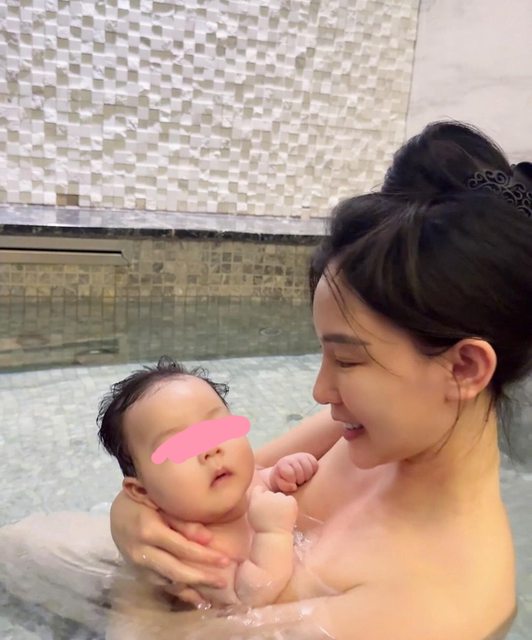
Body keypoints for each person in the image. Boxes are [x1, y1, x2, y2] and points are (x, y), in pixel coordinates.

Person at [109, 121, 532, 639]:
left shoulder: (435, 604)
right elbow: (214, 478)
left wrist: (136, 589)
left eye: (347, 361)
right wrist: (132, 519)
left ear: (463, 368)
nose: (320, 390)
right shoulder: (371, 434)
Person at [97, 357, 319, 618]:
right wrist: (273, 533)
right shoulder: (191, 549)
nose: (210, 449)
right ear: (142, 492)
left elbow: (262, 479)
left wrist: (282, 473)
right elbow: (249, 598)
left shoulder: (243, 481)